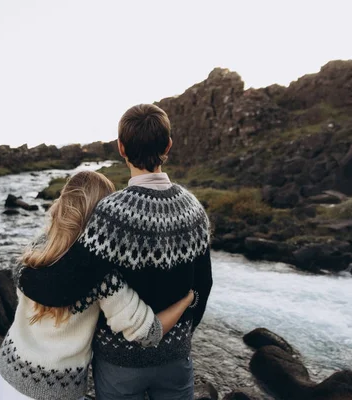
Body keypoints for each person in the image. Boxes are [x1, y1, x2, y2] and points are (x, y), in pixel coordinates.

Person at [0, 171, 194, 400]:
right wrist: (187, 300)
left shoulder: (34, 251)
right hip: (58, 392)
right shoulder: (103, 277)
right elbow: (149, 332)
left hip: (7, 376)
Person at [85, 104, 213, 399]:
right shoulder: (194, 209)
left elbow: (90, 286)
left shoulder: (108, 213)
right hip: (175, 356)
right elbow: (203, 284)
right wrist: (181, 335)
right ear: (168, 145)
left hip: (118, 362)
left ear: (121, 148)